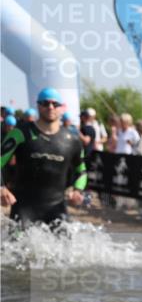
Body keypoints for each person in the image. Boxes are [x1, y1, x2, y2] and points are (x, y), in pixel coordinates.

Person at [0, 88, 86, 227]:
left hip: (56, 209)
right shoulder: (21, 132)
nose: (50, 107)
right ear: (38, 105)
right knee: (18, 248)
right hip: (24, 208)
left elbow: (81, 171)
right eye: (45, 103)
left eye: (55, 104)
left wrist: (77, 190)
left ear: (61, 108)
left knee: (63, 248)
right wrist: (1, 187)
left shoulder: (72, 140)